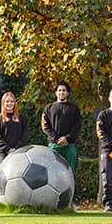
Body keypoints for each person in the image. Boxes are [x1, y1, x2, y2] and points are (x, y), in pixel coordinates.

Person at [41, 81, 82, 212]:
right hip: (54, 145)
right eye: (59, 90)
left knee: (71, 172)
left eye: (64, 90)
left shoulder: (74, 109)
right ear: (55, 92)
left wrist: (67, 138)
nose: (61, 92)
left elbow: (77, 126)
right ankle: (52, 200)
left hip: (69, 145)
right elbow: (45, 126)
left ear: (68, 93)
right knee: (52, 173)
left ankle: (74, 200)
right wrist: (56, 138)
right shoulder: (49, 108)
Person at [0, 92, 29, 167]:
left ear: (14, 103)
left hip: (19, 152)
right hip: (3, 153)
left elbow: (25, 134)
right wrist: (7, 149)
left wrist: (16, 148)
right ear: (3, 103)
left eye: (12, 101)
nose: (9, 103)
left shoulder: (21, 118)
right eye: (7, 101)